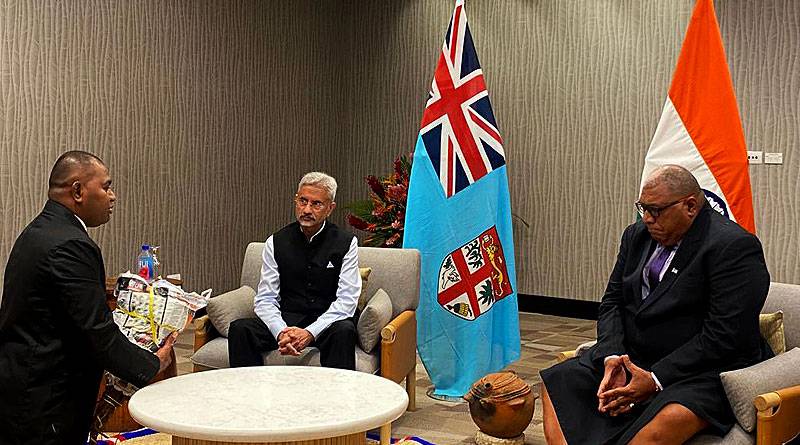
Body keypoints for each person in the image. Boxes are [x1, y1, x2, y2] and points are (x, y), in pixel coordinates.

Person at [540, 165, 773, 444]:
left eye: (656, 210)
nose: (647, 219)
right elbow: (613, 301)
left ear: (690, 206)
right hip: (635, 356)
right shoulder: (636, 235)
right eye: (643, 208)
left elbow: (724, 336)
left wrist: (655, 378)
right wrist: (613, 356)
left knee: (667, 420)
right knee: (559, 381)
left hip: (703, 369)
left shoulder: (732, 246)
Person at [0, 151, 176, 445]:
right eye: (106, 187)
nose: (112, 196)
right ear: (78, 191)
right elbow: (97, 334)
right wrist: (151, 364)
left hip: (23, 383)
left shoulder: (40, 231)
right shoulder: (70, 244)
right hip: (46, 398)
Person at [228, 172, 360, 370]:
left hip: (327, 322)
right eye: (303, 201)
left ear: (330, 208)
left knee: (344, 330)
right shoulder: (275, 242)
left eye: (316, 204)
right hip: (288, 318)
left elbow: (347, 301)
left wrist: (309, 333)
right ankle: (250, 389)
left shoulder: (346, 242)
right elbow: (265, 299)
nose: (307, 210)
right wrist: (282, 332)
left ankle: (337, 391)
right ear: (296, 200)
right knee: (240, 329)